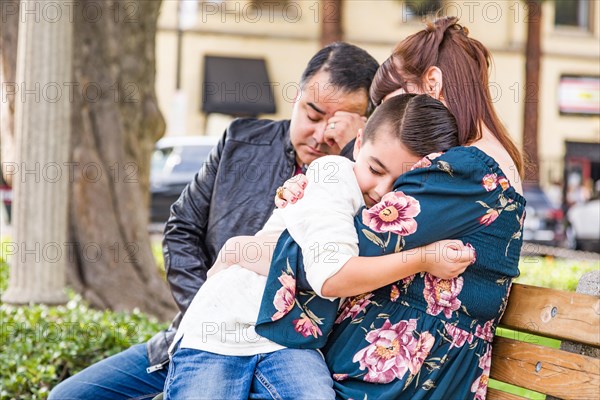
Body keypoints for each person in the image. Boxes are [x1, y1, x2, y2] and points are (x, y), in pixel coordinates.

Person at [49, 42, 380, 400]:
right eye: (312, 114)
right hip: (200, 336)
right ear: (296, 97)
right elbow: (181, 229)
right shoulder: (241, 141)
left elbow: (341, 268)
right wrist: (207, 315)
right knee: (69, 396)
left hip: (289, 349)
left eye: (336, 124)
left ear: (363, 127)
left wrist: (352, 153)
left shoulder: (369, 186)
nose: (319, 135)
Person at [270, 16, 526, 399]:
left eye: (400, 106)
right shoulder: (470, 164)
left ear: (433, 84)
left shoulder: (466, 169)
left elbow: (341, 251)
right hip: (386, 372)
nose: (396, 129)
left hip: (390, 381)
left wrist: (310, 198)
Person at [163, 94, 474, 399]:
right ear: (360, 140)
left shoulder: (406, 212)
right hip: (224, 327)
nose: (382, 191)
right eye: (376, 170)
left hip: (290, 341)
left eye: (401, 184)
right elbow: (332, 276)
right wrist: (423, 259)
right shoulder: (333, 175)